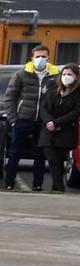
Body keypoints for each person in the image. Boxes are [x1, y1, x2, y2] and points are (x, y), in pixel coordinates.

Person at [3, 44, 59, 191]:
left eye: (43, 56)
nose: (41, 59)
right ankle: (9, 183)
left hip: (42, 122)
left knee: (40, 154)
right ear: (32, 58)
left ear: (49, 58)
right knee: (15, 152)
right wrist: (13, 119)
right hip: (23, 119)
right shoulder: (21, 74)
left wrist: (52, 119)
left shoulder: (55, 75)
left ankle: (37, 184)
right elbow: (10, 97)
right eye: (38, 56)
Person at [41, 63, 80, 195]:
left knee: (59, 160)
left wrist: (57, 123)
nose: (66, 77)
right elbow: (43, 107)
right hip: (48, 130)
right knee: (51, 159)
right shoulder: (53, 88)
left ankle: (56, 188)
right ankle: (58, 187)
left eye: (70, 74)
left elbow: (75, 112)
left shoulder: (77, 93)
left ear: (76, 77)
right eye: (64, 74)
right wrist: (49, 122)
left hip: (66, 131)